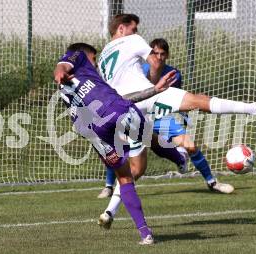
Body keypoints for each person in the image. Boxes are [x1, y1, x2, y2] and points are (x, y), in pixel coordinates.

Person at [97, 14, 256, 230]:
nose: (137, 33)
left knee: (136, 169)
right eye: (134, 29)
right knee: (197, 100)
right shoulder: (132, 40)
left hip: (123, 109)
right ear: (121, 28)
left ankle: (109, 212)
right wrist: (156, 84)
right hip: (147, 96)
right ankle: (254, 108)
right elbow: (154, 61)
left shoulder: (103, 55)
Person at [53, 42, 178, 245]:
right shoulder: (77, 56)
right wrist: (60, 71)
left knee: (125, 179)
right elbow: (62, 66)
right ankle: (180, 157)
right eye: (95, 59)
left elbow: (124, 97)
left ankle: (145, 234)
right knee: (149, 138)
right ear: (86, 55)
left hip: (94, 131)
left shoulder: (90, 82)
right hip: (114, 111)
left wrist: (154, 90)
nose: (96, 64)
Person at [97, 38, 235, 199]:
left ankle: (212, 182)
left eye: (163, 54)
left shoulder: (174, 73)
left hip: (159, 116)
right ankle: (108, 186)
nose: (159, 57)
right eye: (156, 53)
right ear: (149, 53)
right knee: (119, 146)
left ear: (167, 55)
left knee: (190, 146)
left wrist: (184, 119)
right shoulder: (139, 70)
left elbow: (178, 100)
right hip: (137, 116)